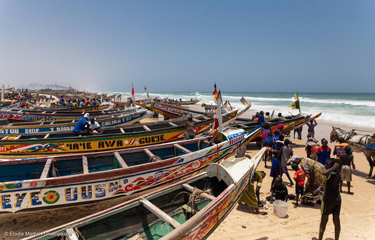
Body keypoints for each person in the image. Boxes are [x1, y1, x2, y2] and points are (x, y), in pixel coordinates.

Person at [319, 158, 342, 240]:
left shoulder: (330, 174)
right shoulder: (338, 173)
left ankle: (320, 238)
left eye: (328, 164)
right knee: (336, 220)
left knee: (324, 220)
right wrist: (334, 167)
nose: (326, 165)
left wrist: (333, 167)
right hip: (337, 199)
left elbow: (324, 172)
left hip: (328, 200)